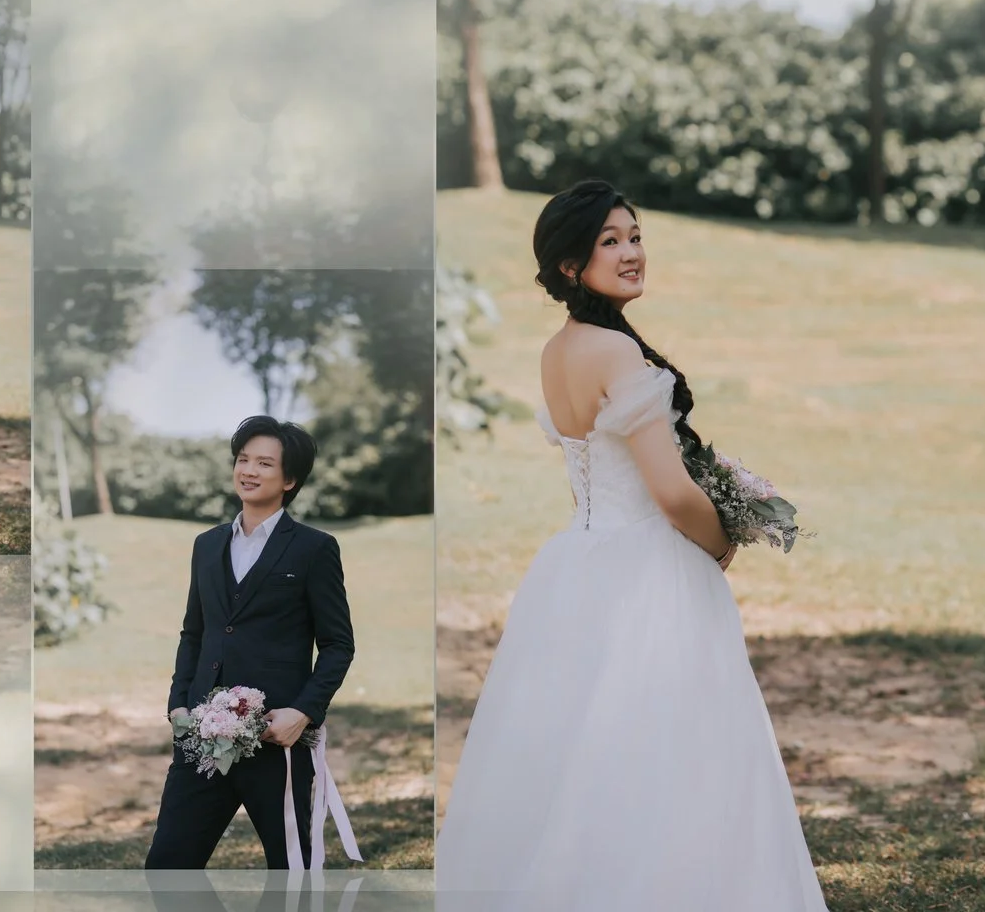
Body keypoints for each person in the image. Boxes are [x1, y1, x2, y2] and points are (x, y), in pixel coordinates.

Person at [433, 181, 827, 910]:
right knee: (670, 754)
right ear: (568, 268)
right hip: (649, 567)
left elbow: (585, 478)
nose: (631, 252)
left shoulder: (558, 352)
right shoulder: (616, 352)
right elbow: (673, 493)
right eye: (608, 242)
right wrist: (719, 544)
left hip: (577, 565)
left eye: (635, 236)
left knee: (580, 752)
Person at [144, 416, 356, 871]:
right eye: (243, 459)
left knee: (290, 878)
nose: (249, 470)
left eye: (264, 462)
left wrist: (303, 713)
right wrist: (178, 704)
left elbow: (338, 644)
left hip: (276, 742)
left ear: (290, 479)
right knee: (168, 870)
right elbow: (194, 633)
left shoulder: (314, 549)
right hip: (200, 737)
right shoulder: (206, 545)